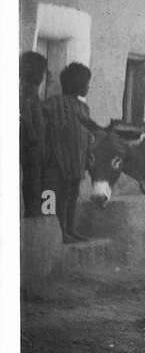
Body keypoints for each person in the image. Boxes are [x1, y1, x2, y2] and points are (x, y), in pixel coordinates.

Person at [41, 61, 93, 244]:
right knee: (58, 198)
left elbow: (88, 136)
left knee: (71, 197)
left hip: (76, 162)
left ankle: (70, 229)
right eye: (87, 83)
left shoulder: (83, 108)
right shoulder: (52, 104)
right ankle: (60, 232)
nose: (88, 87)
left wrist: (88, 158)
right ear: (79, 85)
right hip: (57, 161)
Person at [20, 51, 47, 218]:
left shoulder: (29, 90)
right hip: (33, 147)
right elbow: (27, 114)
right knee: (33, 181)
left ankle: (33, 210)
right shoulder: (28, 92)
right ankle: (33, 212)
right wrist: (32, 135)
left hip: (34, 146)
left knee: (32, 181)